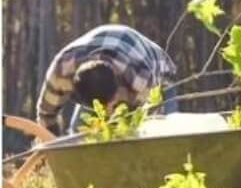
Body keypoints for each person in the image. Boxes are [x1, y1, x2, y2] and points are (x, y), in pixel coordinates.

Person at [37, 24, 177, 135]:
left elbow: (149, 130)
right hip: (106, 53)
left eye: (109, 105)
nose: (107, 112)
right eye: (100, 107)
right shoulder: (62, 72)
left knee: (164, 134)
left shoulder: (140, 80)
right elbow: (46, 116)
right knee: (79, 133)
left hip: (159, 76)